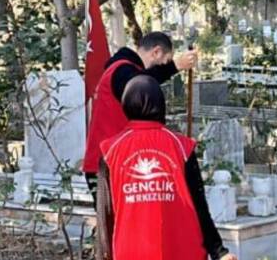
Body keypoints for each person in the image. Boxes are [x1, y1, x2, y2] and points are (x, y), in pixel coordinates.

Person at [95, 75, 238, 260]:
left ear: (126, 105)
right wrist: (219, 250)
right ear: (161, 105)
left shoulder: (110, 150)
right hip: (184, 259)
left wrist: (105, 258)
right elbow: (199, 205)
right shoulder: (180, 147)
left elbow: (104, 211)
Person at [83, 32, 198, 198]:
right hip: (108, 164)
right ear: (156, 52)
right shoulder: (122, 71)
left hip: (118, 160)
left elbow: (143, 80)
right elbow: (140, 87)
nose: (162, 66)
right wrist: (174, 66)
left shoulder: (126, 69)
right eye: (163, 61)